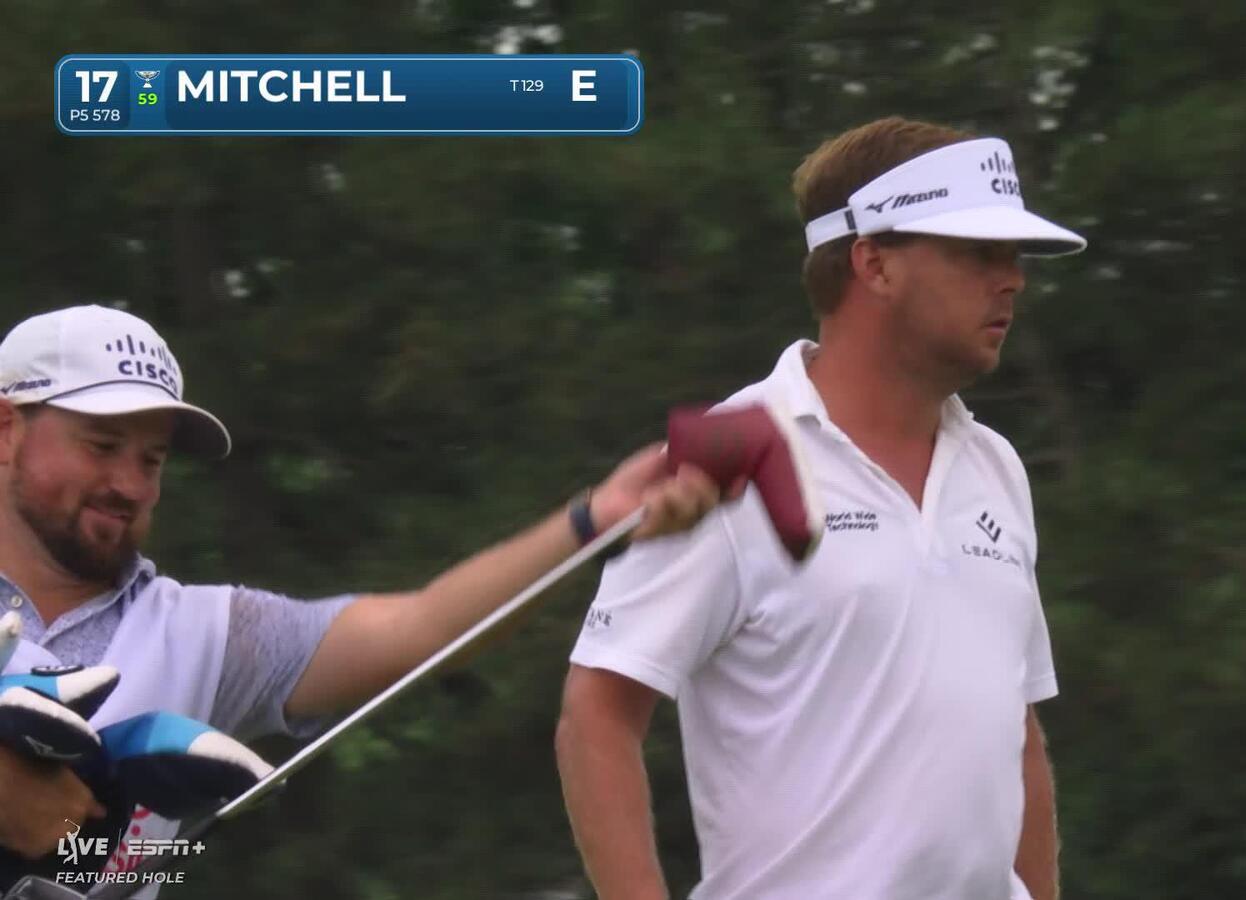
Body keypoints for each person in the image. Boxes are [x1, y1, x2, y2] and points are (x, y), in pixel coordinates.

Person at [0, 304, 724, 885]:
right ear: (7, 430)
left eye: (150, 459)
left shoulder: (206, 634)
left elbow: (421, 627)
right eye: (101, 446)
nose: (129, 484)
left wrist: (593, 519)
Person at [555, 116, 1087, 900]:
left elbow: (1018, 739)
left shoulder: (997, 467)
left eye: (1013, 256)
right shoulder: (729, 461)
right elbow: (596, 715)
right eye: (979, 252)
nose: (1011, 278)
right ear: (873, 262)